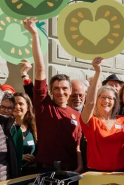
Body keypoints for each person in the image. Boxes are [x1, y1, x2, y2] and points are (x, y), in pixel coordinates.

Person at [21, 18, 82, 173]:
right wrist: (34, 34)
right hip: (46, 170)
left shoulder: (77, 115)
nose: (60, 92)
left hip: (71, 170)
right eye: (56, 89)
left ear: (70, 91)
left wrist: (80, 166)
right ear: (50, 91)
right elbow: (40, 69)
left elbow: (79, 145)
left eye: (64, 88)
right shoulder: (44, 105)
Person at [80, 58, 124, 173]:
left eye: (110, 98)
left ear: (115, 102)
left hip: (121, 172)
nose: (106, 101)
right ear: (97, 99)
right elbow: (89, 103)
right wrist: (98, 72)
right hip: (96, 173)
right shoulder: (90, 121)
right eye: (102, 97)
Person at [10, 92, 37, 175]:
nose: (17, 107)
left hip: (30, 174)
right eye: (14, 104)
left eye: (21, 104)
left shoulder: (34, 128)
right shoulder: (6, 128)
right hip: (11, 174)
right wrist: (21, 157)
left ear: (28, 107)